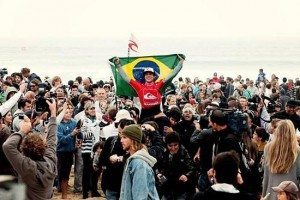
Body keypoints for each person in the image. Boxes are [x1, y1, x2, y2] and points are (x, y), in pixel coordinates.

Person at [3, 99, 57, 200]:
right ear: (43, 147)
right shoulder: (50, 159)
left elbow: (7, 146)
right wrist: (53, 114)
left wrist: (23, 130)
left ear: (23, 150)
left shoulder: (27, 167)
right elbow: (52, 138)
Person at [114, 56, 184, 121]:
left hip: (158, 114)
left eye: (150, 74)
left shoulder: (159, 84)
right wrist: (118, 65)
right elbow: (126, 78)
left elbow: (172, 75)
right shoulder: (139, 86)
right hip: (145, 115)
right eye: (146, 74)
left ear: (154, 76)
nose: (148, 75)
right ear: (144, 76)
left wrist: (180, 62)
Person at [262, 120, 300, 200]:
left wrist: (263, 194)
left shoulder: (268, 148)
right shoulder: (297, 151)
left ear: (277, 132)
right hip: (290, 195)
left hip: (271, 192)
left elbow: (266, 175)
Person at [119, 124, 159, 200]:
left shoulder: (139, 163)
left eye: (124, 137)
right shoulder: (134, 160)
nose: (121, 140)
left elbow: (140, 195)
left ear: (133, 139)